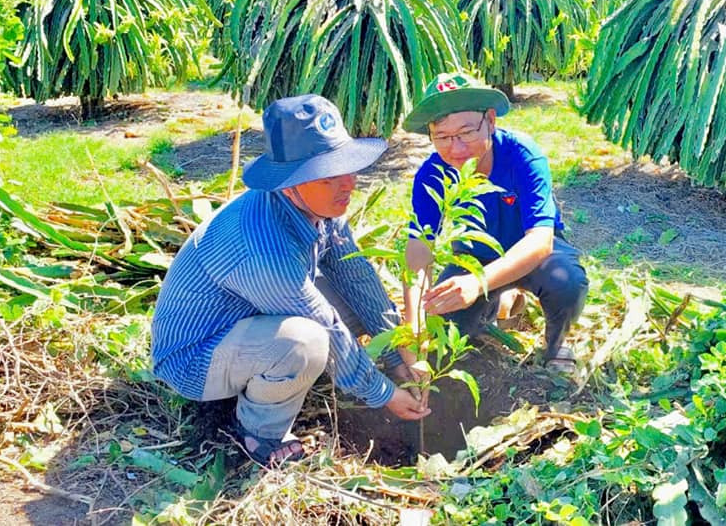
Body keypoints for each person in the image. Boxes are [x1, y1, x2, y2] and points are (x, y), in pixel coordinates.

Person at [151, 94, 429, 468]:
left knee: (346, 302)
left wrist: (398, 355)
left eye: (347, 167)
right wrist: (384, 394)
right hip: (196, 357)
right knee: (306, 341)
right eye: (329, 176)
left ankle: (278, 375)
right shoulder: (259, 247)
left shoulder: (321, 206)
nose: (347, 184)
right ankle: (257, 432)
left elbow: (357, 276)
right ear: (288, 184)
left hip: (246, 320)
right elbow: (323, 325)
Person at [401, 72, 589, 370]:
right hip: (475, 257)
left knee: (566, 282)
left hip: (532, 253)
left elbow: (540, 241)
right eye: (443, 137)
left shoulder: (522, 156)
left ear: (490, 120)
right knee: (445, 332)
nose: (456, 149)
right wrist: (414, 323)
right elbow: (419, 246)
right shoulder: (432, 174)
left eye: (466, 133)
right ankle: (504, 301)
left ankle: (556, 345)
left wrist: (478, 283)